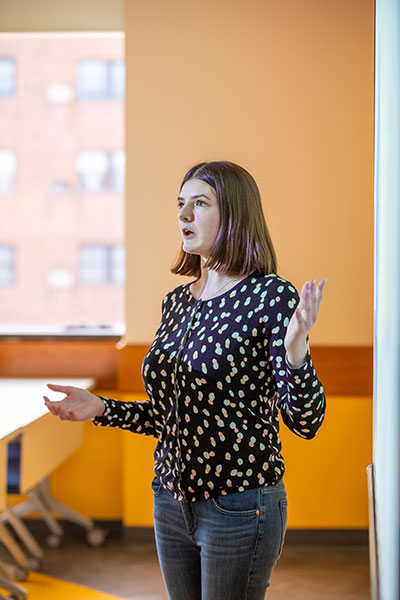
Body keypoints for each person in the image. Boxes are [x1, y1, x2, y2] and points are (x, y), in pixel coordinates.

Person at [44, 160, 327, 600]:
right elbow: (170, 416)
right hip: (170, 500)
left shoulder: (270, 296)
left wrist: (296, 354)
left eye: (199, 203)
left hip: (239, 504)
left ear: (234, 214)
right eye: (180, 204)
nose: (183, 215)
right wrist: (102, 407)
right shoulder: (176, 302)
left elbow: (306, 423)